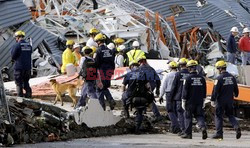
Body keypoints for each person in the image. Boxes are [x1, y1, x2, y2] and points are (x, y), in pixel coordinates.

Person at [211, 60, 241, 139]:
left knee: (218, 116)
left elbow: (215, 91)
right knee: (230, 115)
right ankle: (236, 126)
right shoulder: (232, 77)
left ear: (220, 69)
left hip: (220, 101)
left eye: (218, 69)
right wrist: (236, 95)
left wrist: (212, 100)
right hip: (230, 100)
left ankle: (219, 133)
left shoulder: (218, 78)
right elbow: (236, 89)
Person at [122, 60, 153, 134]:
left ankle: (126, 113)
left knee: (123, 98)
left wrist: (124, 92)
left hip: (130, 95)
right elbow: (148, 86)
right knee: (140, 112)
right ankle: (137, 128)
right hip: (142, 96)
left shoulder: (128, 74)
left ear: (131, 67)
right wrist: (151, 93)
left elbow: (123, 86)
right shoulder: (143, 74)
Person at [181, 60, 207, 139]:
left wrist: (183, 100)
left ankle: (188, 134)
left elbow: (185, 90)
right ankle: (202, 127)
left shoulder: (187, 78)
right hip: (199, 101)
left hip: (190, 101)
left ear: (189, 68)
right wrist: (203, 100)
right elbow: (204, 90)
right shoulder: (202, 78)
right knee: (199, 116)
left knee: (188, 117)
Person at [94, 33, 116, 110]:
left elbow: (96, 63)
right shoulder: (110, 51)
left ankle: (101, 107)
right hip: (109, 73)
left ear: (98, 41)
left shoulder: (98, 51)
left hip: (101, 73)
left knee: (99, 89)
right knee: (104, 87)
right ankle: (111, 100)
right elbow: (113, 63)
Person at [137, 55, 162, 121]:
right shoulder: (151, 68)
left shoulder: (139, 69)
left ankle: (157, 115)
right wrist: (157, 89)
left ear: (140, 62)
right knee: (147, 97)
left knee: (148, 100)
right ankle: (143, 111)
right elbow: (158, 79)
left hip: (145, 85)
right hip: (152, 85)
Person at [169, 58, 190, 136]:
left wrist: (171, 97)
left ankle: (183, 130)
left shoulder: (177, 74)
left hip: (179, 97)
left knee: (180, 114)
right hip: (188, 97)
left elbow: (174, 86)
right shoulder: (190, 74)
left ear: (180, 65)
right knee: (187, 114)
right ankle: (188, 130)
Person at [159, 61, 180, 134]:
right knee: (176, 111)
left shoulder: (167, 75)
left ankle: (176, 126)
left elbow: (163, 86)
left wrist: (161, 95)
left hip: (169, 93)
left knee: (170, 110)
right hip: (177, 94)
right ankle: (174, 128)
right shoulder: (179, 75)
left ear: (170, 67)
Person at [11, 31, 32, 98]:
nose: (16, 39)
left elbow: (13, 56)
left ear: (18, 37)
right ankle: (29, 96)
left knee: (18, 83)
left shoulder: (16, 45)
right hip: (27, 68)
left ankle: (20, 98)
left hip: (19, 68)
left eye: (16, 38)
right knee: (26, 82)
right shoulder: (29, 45)